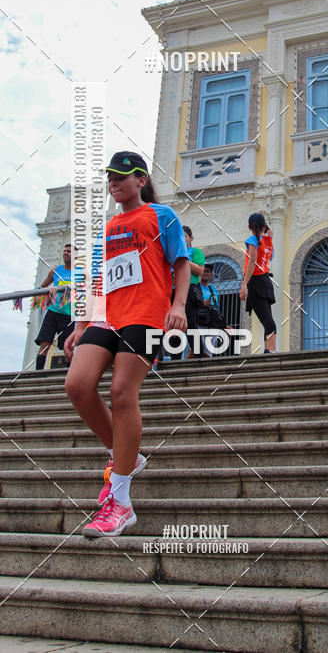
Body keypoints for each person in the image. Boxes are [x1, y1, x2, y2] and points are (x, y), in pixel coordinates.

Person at [63, 151, 190, 538]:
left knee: (121, 392)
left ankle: (119, 502)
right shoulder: (108, 227)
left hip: (147, 315)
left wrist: (179, 305)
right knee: (78, 384)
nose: (114, 182)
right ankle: (127, 456)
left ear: (140, 179)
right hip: (107, 315)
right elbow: (96, 279)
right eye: (111, 177)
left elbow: (181, 263)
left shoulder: (162, 216)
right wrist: (81, 323)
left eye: (122, 176)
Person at [240, 213, 277, 354]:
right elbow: (270, 256)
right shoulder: (268, 241)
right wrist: (269, 236)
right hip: (266, 282)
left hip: (256, 282)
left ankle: (270, 351)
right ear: (264, 226)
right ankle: (270, 350)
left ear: (250, 227)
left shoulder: (251, 239)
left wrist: (244, 283)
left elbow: (252, 261)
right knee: (268, 319)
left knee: (267, 320)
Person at [34, 244, 76, 370]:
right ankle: (38, 375)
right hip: (53, 312)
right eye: (64, 251)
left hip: (69, 315)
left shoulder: (80, 272)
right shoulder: (55, 270)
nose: (66, 253)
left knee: (68, 347)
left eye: (69, 251)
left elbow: (90, 288)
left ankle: (69, 374)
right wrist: (48, 291)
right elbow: (42, 287)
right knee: (45, 343)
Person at [181, 226, 205, 357]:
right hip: (173, 289)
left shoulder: (194, 252)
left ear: (191, 238)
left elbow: (200, 271)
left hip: (190, 289)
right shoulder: (172, 252)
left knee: (190, 322)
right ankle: (174, 357)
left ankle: (198, 353)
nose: (181, 239)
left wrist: (184, 259)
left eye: (184, 236)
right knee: (173, 326)